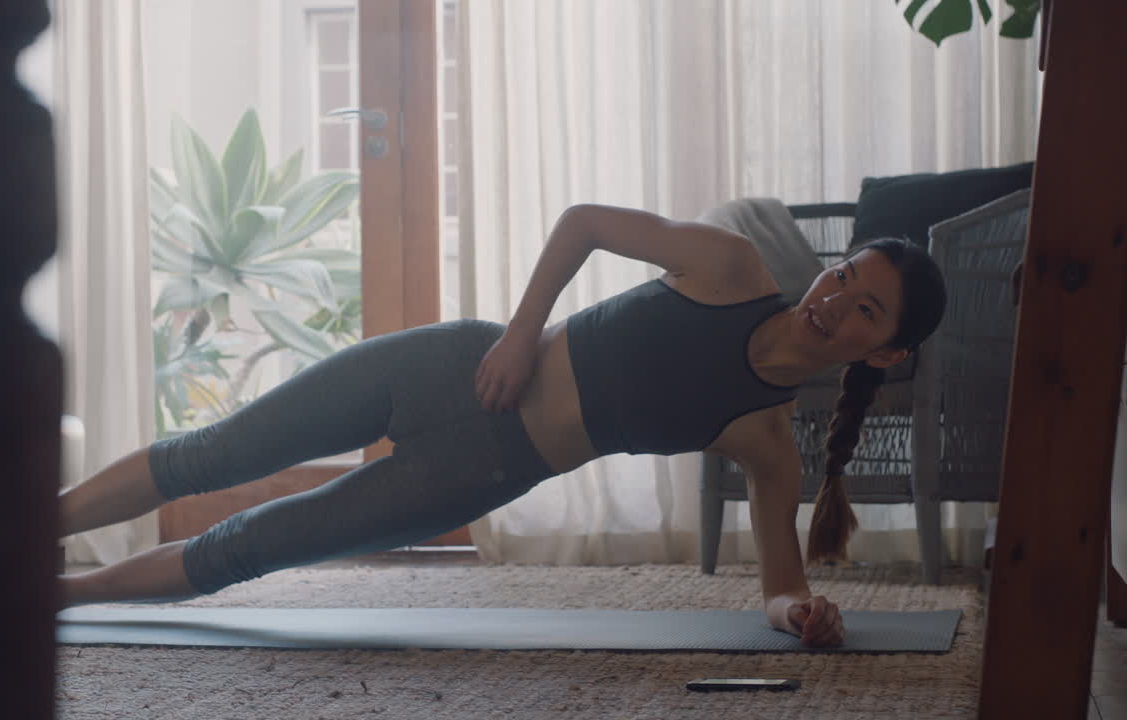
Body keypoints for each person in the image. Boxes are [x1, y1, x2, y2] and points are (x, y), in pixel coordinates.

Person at [57, 203, 946, 649]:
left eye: (866, 312)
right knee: (212, 454)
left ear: (886, 355)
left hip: (481, 473)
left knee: (249, 547)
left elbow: (775, 587)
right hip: (458, 366)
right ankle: (28, 529)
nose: (834, 304)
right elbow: (583, 225)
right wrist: (522, 335)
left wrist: (803, 612)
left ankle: (56, 597)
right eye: (843, 278)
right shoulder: (730, 265)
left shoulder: (764, 439)